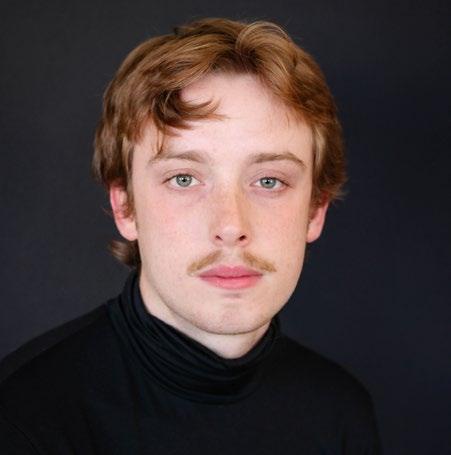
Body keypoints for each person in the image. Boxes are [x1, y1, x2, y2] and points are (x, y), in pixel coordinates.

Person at [0, 17, 381, 454]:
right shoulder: (21, 419)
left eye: (269, 181)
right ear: (126, 208)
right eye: (184, 179)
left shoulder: (340, 413)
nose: (231, 227)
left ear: (315, 210)